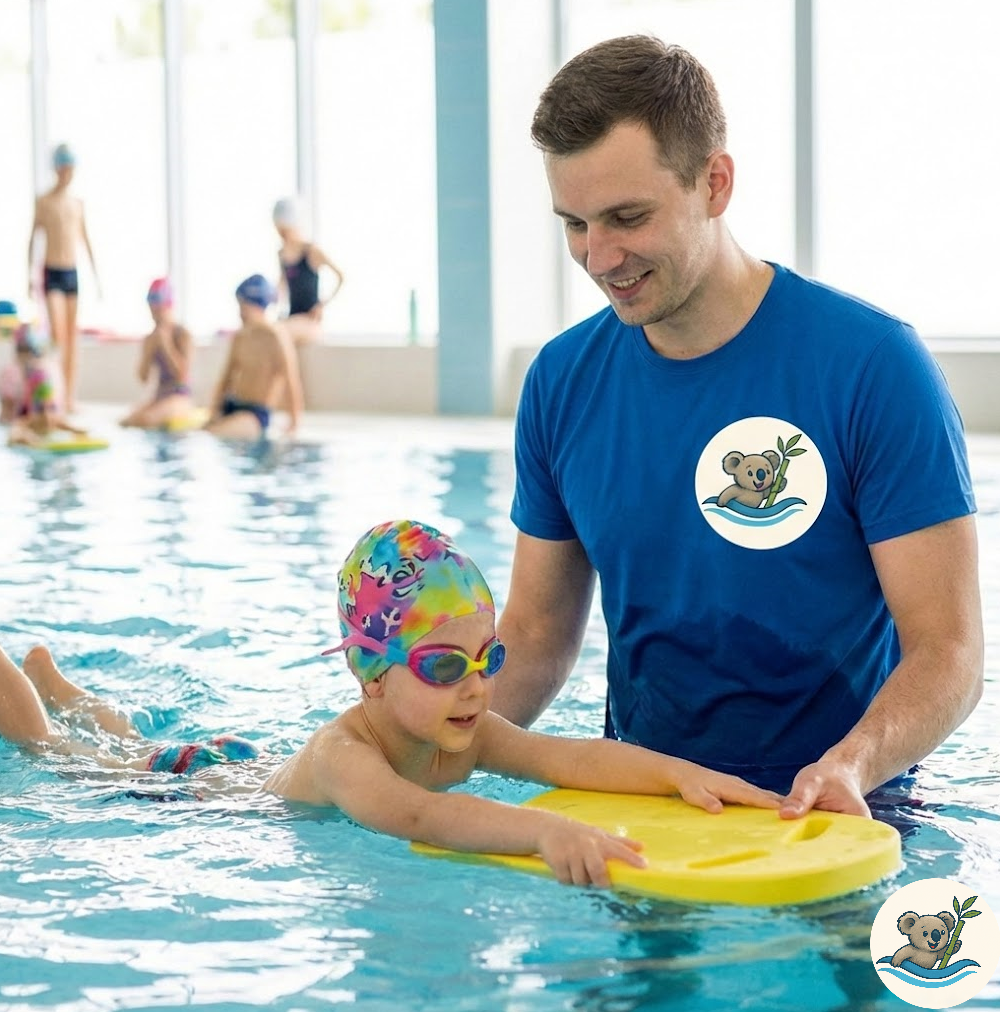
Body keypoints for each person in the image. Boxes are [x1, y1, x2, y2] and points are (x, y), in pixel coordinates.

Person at [492, 36, 983, 821]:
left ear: (714, 183)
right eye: (574, 223)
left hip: (839, 811)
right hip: (649, 803)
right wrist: (399, 743)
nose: (599, 255)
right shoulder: (561, 382)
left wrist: (851, 765)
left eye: (627, 217)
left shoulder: (871, 366)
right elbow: (538, 633)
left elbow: (949, 649)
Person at [1, 520, 779, 888]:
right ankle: (36, 697)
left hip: (246, 757)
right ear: (371, 675)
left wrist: (679, 775)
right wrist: (545, 830)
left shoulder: (463, 729)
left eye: (488, 658)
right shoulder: (349, 759)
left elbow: (573, 756)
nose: (477, 685)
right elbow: (422, 817)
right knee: (77, 762)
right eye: (444, 665)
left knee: (127, 735)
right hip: (201, 788)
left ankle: (66, 687)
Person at [27, 142, 101, 415]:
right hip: (52, 271)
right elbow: (32, 238)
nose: (68, 173)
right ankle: (54, 396)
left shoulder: (77, 203)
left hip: (72, 273)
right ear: (57, 169)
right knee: (58, 337)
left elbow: (86, 239)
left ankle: (69, 398)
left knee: (73, 339)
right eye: (64, 167)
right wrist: (28, 276)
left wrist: (96, 277)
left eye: (71, 168)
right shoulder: (44, 201)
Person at [204, 274, 303, 439]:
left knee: (214, 435)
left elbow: (291, 381)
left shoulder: (276, 337)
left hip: (255, 415)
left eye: (243, 306)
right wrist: (213, 412)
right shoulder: (240, 337)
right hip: (232, 406)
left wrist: (294, 423)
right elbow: (226, 379)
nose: (240, 313)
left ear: (256, 304)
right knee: (200, 434)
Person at [120, 278, 196, 429]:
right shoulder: (151, 338)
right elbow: (143, 378)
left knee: (146, 420)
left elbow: (183, 376)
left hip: (180, 397)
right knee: (126, 422)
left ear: (168, 306)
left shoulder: (183, 334)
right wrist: (148, 351)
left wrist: (166, 346)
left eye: (157, 309)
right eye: (151, 308)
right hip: (159, 396)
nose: (154, 313)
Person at [272, 196, 344, 347]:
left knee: (280, 333)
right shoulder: (282, 254)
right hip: (292, 319)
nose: (282, 236)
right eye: (279, 231)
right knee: (269, 334)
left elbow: (341, 277)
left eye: (285, 231)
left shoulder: (311, 251)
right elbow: (281, 286)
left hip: (309, 322)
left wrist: (321, 305)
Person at [6, 322, 88, 447]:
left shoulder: (57, 420)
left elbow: (82, 432)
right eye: (40, 410)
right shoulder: (23, 423)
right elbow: (13, 436)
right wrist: (29, 439)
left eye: (51, 409)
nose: (46, 416)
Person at [0, 298, 22, 423]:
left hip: (11, 376)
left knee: (10, 400)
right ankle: (6, 414)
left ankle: (9, 414)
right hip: (7, 376)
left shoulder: (15, 341)